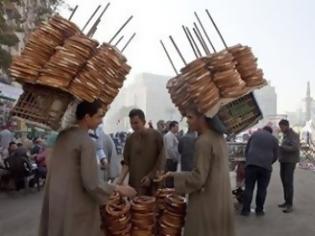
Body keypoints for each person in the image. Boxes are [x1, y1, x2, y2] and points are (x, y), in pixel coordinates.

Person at [39, 100, 136, 236]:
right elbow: (91, 183)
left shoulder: (63, 135)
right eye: (99, 116)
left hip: (56, 200)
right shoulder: (86, 142)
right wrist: (119, 189)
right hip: (75, 203)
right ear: (87, 117)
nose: (101, 121)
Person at [161, 108, 235, 236]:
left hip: (206, 201)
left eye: (190, 117)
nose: (187, 122)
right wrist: (173, 174)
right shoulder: (219, 138)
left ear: (203, 118)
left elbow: (198, 178)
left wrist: (175, 182)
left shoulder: (203, 141)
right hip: (220, 199)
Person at [117, 109, 164, 195]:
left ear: (144, 121)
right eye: (132, 123)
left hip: (152, 185)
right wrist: (119, 181)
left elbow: (162, 160)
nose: (134, 126)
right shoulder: (130, 139)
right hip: (134, 185)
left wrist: (150, 176)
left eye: (136, 123)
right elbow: (126, 163)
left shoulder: (156, 136)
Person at [241, 126, 279, 216]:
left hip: (251, 165)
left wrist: (249, 160)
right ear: (271, 132)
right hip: (265, 168)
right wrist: (268, 162)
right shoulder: (274, 139)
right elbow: (276, 155)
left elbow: (247, 149)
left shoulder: (254, 135)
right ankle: (259, 210)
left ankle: (245, 210)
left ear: (263, 130)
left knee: (249, 188)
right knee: (262, 189)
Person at [278, 119, 300, 213]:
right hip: (284, 161)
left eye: (282, 127)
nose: (281, 129)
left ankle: (289, 205)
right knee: (284, 181)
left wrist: (282, 147)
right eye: (280, 127)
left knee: (288, 182)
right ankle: (286, 201)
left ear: (286, 126)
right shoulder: (285, 135)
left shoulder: (293, 135)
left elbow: (295, 148)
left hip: (290, 162)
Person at [164, 121, 180, 187]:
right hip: (171, 160)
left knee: (172, 178)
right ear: (172, 127)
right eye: (177, 127)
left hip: (173, 159)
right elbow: (170, 149)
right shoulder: (169, 136)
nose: (178, 128)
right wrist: (175, 158)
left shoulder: (173, 135)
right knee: (170, 178)